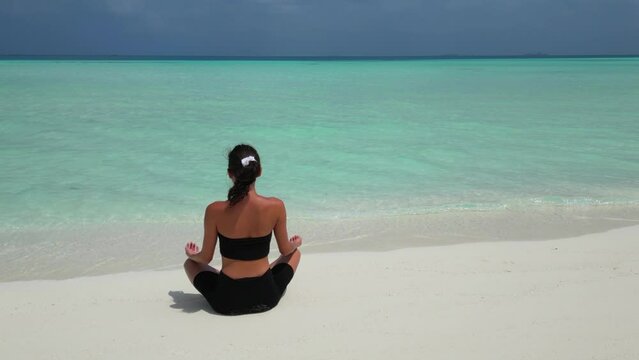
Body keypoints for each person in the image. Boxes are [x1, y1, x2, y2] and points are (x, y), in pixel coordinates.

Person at [183, 144, 302, 315]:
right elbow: (285, 250)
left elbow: (205, 258)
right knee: (295, 253)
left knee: (190, 264)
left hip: (227, 301)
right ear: (259, 171)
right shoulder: (276, 206)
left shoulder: (214, 210)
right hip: (266, 297)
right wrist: (296, 243)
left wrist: (191, 254)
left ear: (230, 173)